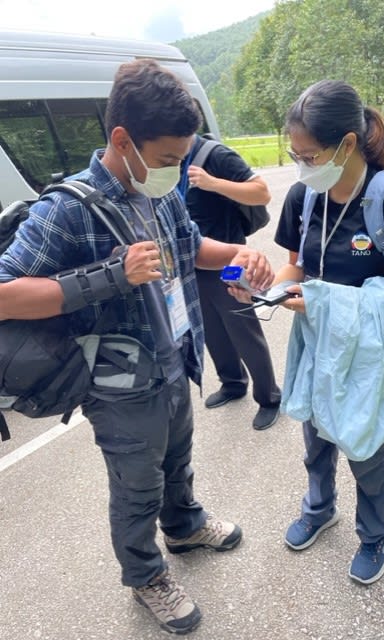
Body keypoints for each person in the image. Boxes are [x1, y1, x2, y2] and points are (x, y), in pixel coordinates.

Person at [0, 59, 274, 635]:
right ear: (122, 140)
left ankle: (183, 524)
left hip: (175, 356)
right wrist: (108, 276)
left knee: (177, 458)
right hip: (117, 381)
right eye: (169, 158)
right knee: (136, 485)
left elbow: (191, 245)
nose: (175, 170)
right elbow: (4, 294)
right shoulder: (67, 209)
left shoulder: (161, 191)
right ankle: (144, 574)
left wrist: (239, 256)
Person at [253, 79, 384, 585]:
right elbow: (296, 268)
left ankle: (375, 533)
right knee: (315, 435)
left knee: (367, 447)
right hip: (317, 346)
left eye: (308, 155)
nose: (301, 164)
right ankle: (319, 506)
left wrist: (323, 302)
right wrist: (266, 285)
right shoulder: (303, 197)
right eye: (295, 154)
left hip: (370, 357)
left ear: (347, 144)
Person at [177, 134, 281, 430]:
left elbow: (261, 193)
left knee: (241, 325)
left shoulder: (215, 154)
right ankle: (233, 382)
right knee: (210, 326)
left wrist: (213, 183)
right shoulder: (170, 160)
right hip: (193, 261)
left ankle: (269, 396)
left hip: (229, 259)